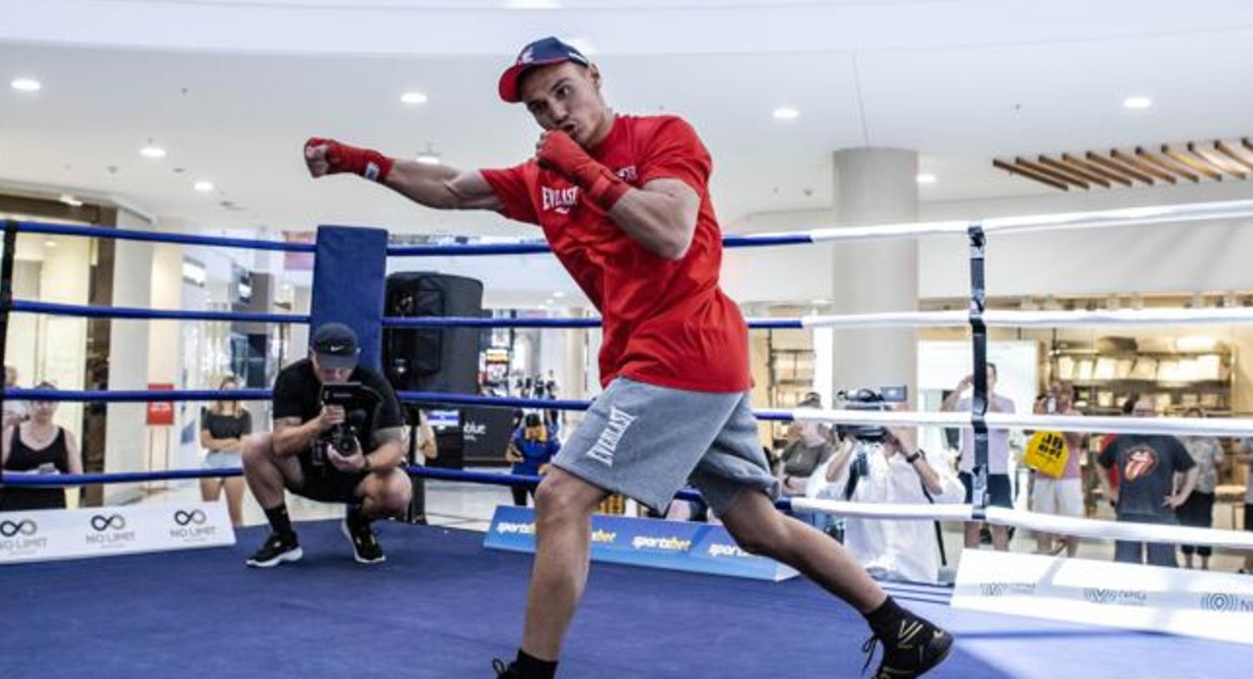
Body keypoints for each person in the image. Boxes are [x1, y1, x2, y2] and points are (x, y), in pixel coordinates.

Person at [304, 36, 953, 679]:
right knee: (757, 527)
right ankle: (904, 629)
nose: (555, 112)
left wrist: (582, 169)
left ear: (594, 77)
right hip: (678, 360)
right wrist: (364, 161)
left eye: (564, 91)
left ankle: (534, 671)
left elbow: (670, 233)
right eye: (538, 107)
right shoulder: (544, 178)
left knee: (559, 495)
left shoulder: (662, 136)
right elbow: (451, 186)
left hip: (680, 354)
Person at [241, 323, 411, 567]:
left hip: (358, 477)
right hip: (304, 472)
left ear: (355, 358)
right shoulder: (293, 378)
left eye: (343, 368)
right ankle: (283, 538)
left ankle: (359, 524)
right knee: (254, 445)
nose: (335, 375)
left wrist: (364, 462)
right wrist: (317, 425)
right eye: (327, 367)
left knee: (398, 489)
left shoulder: (374, 384)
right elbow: (279, 445)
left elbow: (395, 447)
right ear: (313, 355)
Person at [806, 417, 964, 585]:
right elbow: (818, 494)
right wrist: (848, 444)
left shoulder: (927, 457)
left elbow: (953, 497)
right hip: (863, 577)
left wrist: (913, 456)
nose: (891, 427)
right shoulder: (856, 459)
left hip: (915, 574)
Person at [1094, 396, 1198, 567]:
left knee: (1163, 568)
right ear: (1132, 415)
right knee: (1126, 567)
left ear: (1155, 414)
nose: (1142, 415)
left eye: (1147, 411)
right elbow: (1100, 463)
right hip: (1128, 513)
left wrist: (1181, 497)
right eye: (1138, 412)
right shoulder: (1121, 439)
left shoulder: (1168, 440)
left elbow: (1192, 468)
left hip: (1161, 514)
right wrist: (1108, 489)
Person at [941, 363, 1017, 551]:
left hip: (997, 472)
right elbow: (943, 414)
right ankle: (971, 567)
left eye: (989, 377)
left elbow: (1004, 426)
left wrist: (987, 398)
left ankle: (1003, 571)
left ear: (995, 379)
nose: (985, 381)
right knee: (970, 523)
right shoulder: (966, 404)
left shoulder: (1007, 403)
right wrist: (960, 388)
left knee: (999, 524)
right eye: (981, 377)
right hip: (970, 470)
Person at [0, 381, 81, 513]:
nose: (45, 407)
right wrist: (26, 477)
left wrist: (56, 479)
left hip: (51, 509)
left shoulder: (67, 436)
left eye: (51, 402)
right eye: (40, 402)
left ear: (57, 404)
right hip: (12, 509)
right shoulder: (11, 432)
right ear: (31, 403)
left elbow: (77, 478)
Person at [1028, 381, 1086, 557]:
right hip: (1044, 472)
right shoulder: (1043, 412)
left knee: (1073, 517)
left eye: (1060, 393)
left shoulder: (1076, 416)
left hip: (1069, 475)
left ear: (1069, 396)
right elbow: (1027, 431)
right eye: (1052, 392)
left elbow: (1077, 441)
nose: (1056, 396)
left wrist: (1059, 420)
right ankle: (1044, 551)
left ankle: (1071, 556)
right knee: (1042, 518)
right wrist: (1039, 414)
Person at [199, 375, 252, 527]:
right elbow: (204, 442)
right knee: (208, 513)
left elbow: (243, 444)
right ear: (220, 390)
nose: (228, 392)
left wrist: (216, 443)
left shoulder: (244, 416)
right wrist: (230, 441)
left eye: (232, 390)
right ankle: (210, 545)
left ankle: (239, 546)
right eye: (225, 389)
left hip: (234, 464)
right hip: (211, 463)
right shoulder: (209, 414)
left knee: (235, 513)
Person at [1176, 407, 1224, 570]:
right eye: (1190, 418)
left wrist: (1215, 463)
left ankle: (1204, 563)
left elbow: (1220, 460)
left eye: (1197, 418)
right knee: (1185, 524)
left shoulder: (1211, 439)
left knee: (1204, 523)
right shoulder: (1179, 439)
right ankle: (1188, 561)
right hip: (1183, 489)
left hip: (1205, 488)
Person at [779, 396, 837, 531]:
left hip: (811, 511)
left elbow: (815, 486)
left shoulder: (827, 450)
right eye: (798, 418)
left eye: (804, 418)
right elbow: (778, 479)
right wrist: (790, 482)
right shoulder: (792, 447)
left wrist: (789, 480)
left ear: (817, 421)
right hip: (788, 506)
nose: (799, 423)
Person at [505, 413, 561, 507]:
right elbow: (508, 455)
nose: (532, 432)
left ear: (540, 426)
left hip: (538, 478)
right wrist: (515, 458)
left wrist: (549, 466)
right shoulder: (519, 434)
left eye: (535, 429)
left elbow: (561, 459)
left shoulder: (550, 436)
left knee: (542, 508)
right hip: (519, 475)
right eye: (529, 429)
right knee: (519, 508)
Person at [407, 410, 438, 524]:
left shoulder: (424, 426)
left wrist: (425, 439)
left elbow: (433, 453)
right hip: (398, 462)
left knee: (416, 473)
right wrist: (418, 445)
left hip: (416, 464)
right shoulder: (397, 423)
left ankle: (419, 516)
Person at [1237, 435, 1253, 574]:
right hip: (1252, 497)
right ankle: (1247, 568)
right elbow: (1239, 457)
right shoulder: (1250, 433)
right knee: (1250, 534)